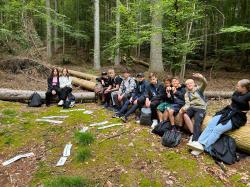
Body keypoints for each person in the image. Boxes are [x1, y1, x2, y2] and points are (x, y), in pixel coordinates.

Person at [188, 79, 250, 156]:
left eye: (238, 86)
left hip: (237, 117)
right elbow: (234, 102)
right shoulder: (237, 92)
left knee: (218, 129)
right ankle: (199, 144)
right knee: (211, 123)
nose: (236, 87)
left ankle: (204, 146)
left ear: (244, 88)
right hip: (227, 111)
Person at [179, 73, 208, 145]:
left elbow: (205, 83)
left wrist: (201, 77)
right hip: (192, 107)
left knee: (197, 122)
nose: (189, 85)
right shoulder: (187, 94)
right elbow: (187, 104)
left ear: (194, 83)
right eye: (187, 84)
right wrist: (183, 109)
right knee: (185, 115)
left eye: (191, 83)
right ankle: (193, 134)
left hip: (201, 108)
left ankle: (195, 141)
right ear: (186, 86)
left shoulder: (199, 89)